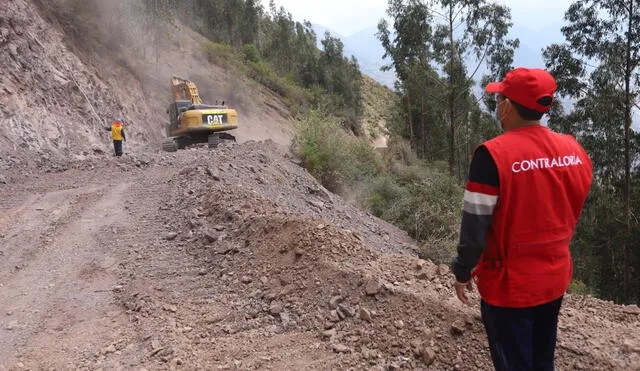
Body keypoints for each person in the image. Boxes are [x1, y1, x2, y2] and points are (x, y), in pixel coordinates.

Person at [451, 68, 593, 371]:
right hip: (554, 279)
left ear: (507, 106)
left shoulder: (492, 156)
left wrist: (462, 270)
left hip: (509, 287)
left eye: (500, 98)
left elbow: (475, 227)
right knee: (542, 360)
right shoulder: (574, 151)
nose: (498, 105)